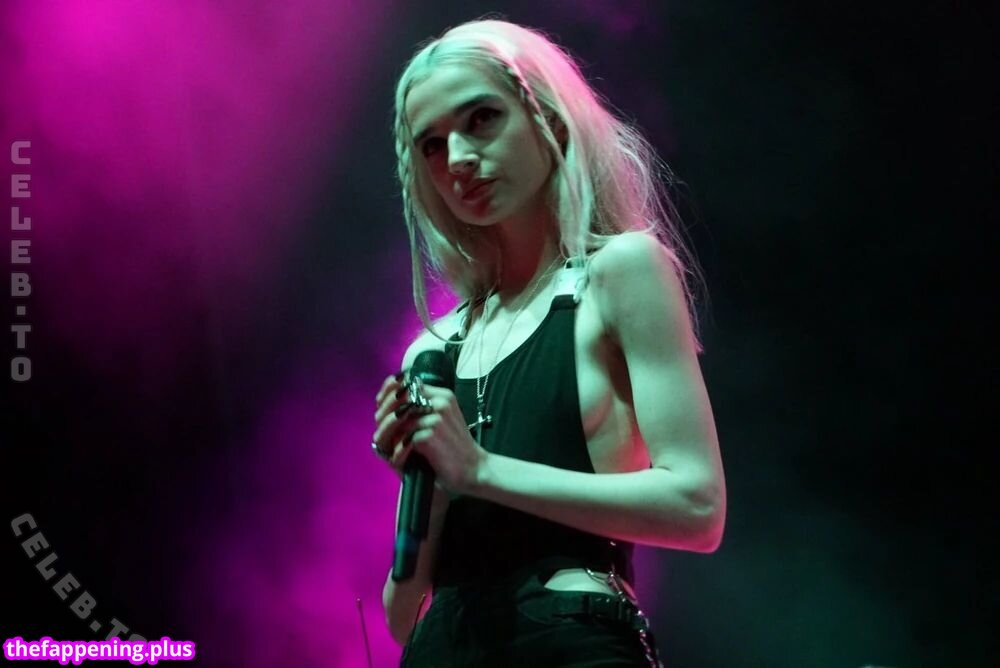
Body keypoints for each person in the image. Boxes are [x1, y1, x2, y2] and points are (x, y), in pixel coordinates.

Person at [371, 18, 726, 667]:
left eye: (482, 119)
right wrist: (434, 483)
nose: (458, 160)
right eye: (433, 146)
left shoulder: (620, 273)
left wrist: (480, 470)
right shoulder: (434, 350)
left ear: (551, 120)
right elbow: (401, 616)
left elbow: (697, 507)